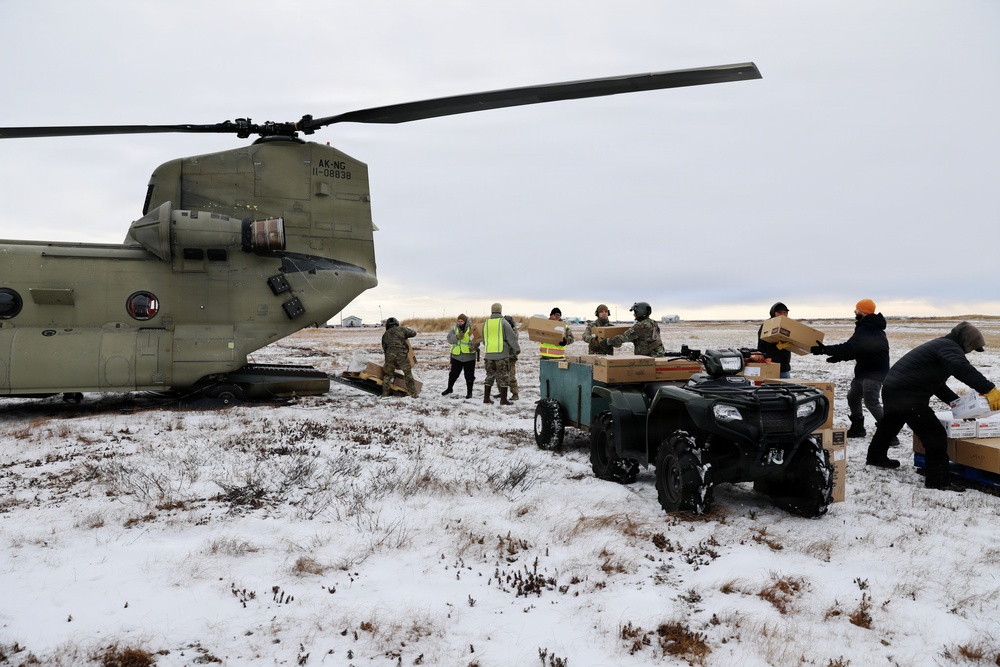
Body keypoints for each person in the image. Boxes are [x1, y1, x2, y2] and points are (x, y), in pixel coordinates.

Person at [865, 321, 1000, 491]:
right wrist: (989, 389)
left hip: (894, 388)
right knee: (934, 434)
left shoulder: (941, 346)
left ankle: (876, 457)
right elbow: (961, 368)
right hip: (908, 394)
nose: (970, 352)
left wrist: (958, 405)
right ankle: (938, 481)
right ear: (966, 342)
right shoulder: (949, 348)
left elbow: (937, 385)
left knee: (890, 425)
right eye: (972, 348)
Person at [810, 299, 889, 439]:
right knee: (853, 397)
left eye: (857, 309)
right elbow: (859, 350)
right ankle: (858, 428)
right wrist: (839, 358)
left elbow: (849, 347)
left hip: (874, 373)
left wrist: (824, 350)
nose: (854, 311)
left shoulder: (868, 328)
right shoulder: (867, 326)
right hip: (864, 371)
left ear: (863, 311)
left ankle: (890, 434)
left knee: (872, 402)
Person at [482, 303, 520, 405]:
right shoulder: (503, 322)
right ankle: (503, 400)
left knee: (489, 376)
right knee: (504, 376)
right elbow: (511, 338)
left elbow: (484, 340)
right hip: (501, 355)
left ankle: (486, 398)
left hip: (489, 354)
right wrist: (517, 349)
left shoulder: (486, 323)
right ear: (500, 310)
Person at [381, 317, 419, 398]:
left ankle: (385, 394)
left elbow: (384, 348)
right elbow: (414, 333)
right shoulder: (401, 329)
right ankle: (413, 394)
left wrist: (388, 358)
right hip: (402, 356)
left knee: (388, 375)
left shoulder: (385, 335)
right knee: (408, 374)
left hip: (390, 356)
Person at [443, 313, 478, 399]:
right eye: (458, 321)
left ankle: (469, 393)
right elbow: (449, 339)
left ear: (465, 321)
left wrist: (473, 344)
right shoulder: (455, 329)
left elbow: (477, 342)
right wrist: (456, 337)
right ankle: (449, 388)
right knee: (453, 374)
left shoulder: (472, 329)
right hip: (457, 356)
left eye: (461, 321)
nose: (459, 322)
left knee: (469, 376)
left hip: (469, 357)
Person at [757, 302, 794, 378]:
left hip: (784, 367)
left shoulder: (788, 325)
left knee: (788, 388)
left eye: (785, 312)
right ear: (773, 313)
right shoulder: (767, 325)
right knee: (771, 389)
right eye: (780, 313)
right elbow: (762, 346)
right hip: (770, 366)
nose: (783, 315)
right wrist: (776, 346)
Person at [504, 315, 520, 401]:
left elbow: (511, 340)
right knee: (500, 377)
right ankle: (502, 392)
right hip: (502, 356)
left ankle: (515, 393)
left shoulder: (514, 332)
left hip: (511, 357)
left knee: (511, 376)